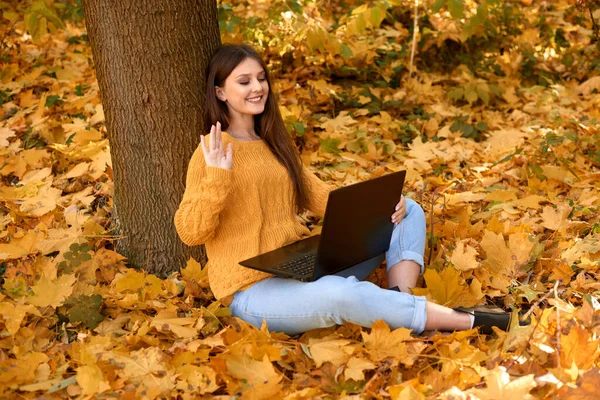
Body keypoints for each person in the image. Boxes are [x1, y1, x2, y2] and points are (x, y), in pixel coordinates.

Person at [174, 44, 511, 336]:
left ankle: (398, 302)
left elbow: (324, 198)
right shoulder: (212, 152)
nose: (257, 87)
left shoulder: (274, 143)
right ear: (220, 92)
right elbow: (190, 232)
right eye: (244, 81)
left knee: (407, 211)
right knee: (341, 296)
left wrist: (381, 209)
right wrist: (218, 176)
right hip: (251, 292)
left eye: (261, 78)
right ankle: (467, 320)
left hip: (303, 265)